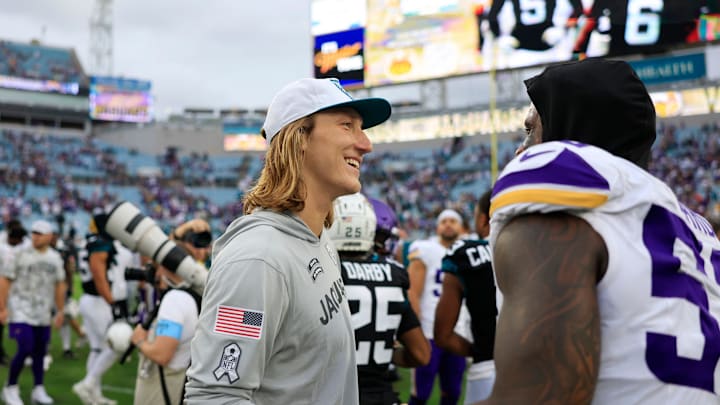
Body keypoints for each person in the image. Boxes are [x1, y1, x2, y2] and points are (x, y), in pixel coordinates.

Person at [476, 59, 720, 404]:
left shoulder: (561, 174)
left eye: (531, 130)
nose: (521, 149)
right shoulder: (696, 227)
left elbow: (542, 394)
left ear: (571, 122)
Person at [185, 77, 391, 404]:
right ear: (300, 139)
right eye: (347, 126)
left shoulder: (318, 239)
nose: (366, 144)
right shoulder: (258, 260)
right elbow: (216, 396)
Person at [330, 193, 430, 405]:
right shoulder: (394, 274)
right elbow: (421, 354)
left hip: (332, 395)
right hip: (382, 395)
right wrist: (384, 350)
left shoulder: (323, 272)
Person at [131, 219, 209, 405]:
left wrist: (139, 340)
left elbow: (162, 354)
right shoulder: (191, 295)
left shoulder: (174, 300)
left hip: (163, 386)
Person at [435, 190, 497, 403]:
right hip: (540, 368)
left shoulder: (465, 254)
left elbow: (442, 335)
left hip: (487, 368)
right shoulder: (541, 249)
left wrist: (478, 350)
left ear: (482, 219)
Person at [406, 209, 471, 405]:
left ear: (461, 227)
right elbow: (412, 292)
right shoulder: (425, 248)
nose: (448, 224)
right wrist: (415, 329)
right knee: (421, 393)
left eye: (453, 221)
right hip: (428, 331)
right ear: (437, 227)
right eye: (444, 221)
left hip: (457, 332)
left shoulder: (467, 252)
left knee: (452, 392)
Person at [0, 220, 66, 405]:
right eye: (34, 232)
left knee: (40, 352)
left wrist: (60, 310)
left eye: (40, 233)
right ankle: (10, 387)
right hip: (20, 309)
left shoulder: (55, 257)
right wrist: (2, 307)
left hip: (43, 312)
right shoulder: (20, 253)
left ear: (49, 236)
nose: (35, 236)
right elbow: (5, 280)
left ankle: (38, 388)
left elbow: (60, 284)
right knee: (26, 347)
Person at [73, 212, 124, 405]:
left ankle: (93, 396)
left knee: (97, 348)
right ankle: (87, 384)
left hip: (90, 300)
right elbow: (98, 274)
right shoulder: (101, 244)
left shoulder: (91, 240)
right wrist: (112, 302)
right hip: (98, 301)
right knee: (116, 345)